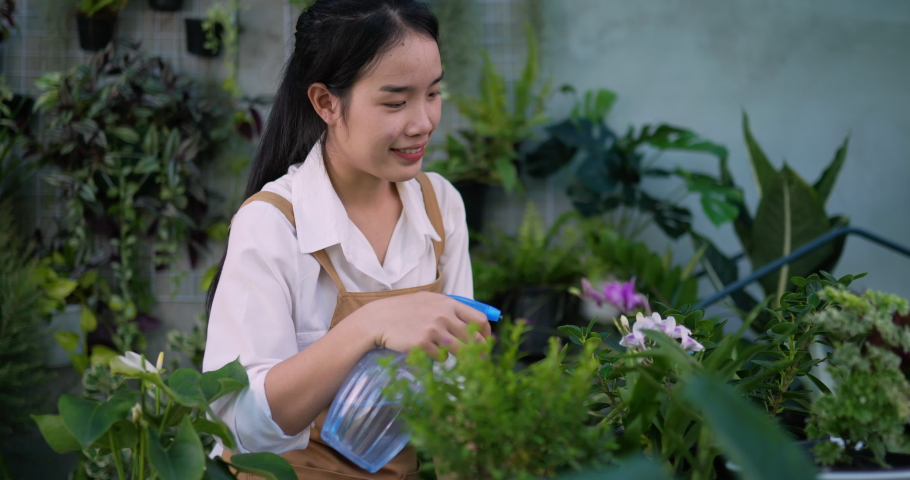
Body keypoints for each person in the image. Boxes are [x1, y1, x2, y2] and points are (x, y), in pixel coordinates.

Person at [201, 1, 492, 478]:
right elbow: (238, 424)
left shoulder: (441, 206)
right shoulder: (273, 224)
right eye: (395, 102)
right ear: (325, 102)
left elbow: (453, 385)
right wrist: (370, 324)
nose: (422, 122)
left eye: (434, 93)